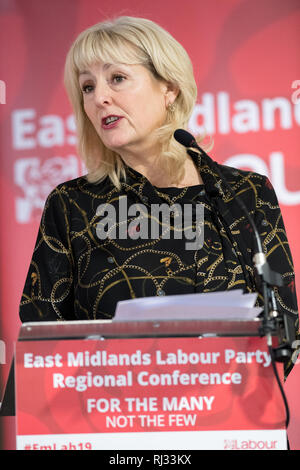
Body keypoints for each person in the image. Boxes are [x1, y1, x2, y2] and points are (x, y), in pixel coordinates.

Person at [19, 16, 298, 372]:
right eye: (87, 87)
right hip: (117, 418)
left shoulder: (245, 194)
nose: (100, 98)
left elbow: (284, 327)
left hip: (233, 420)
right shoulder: (73, 204)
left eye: (117, 78)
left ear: (169, 88)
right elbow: (41, 341)